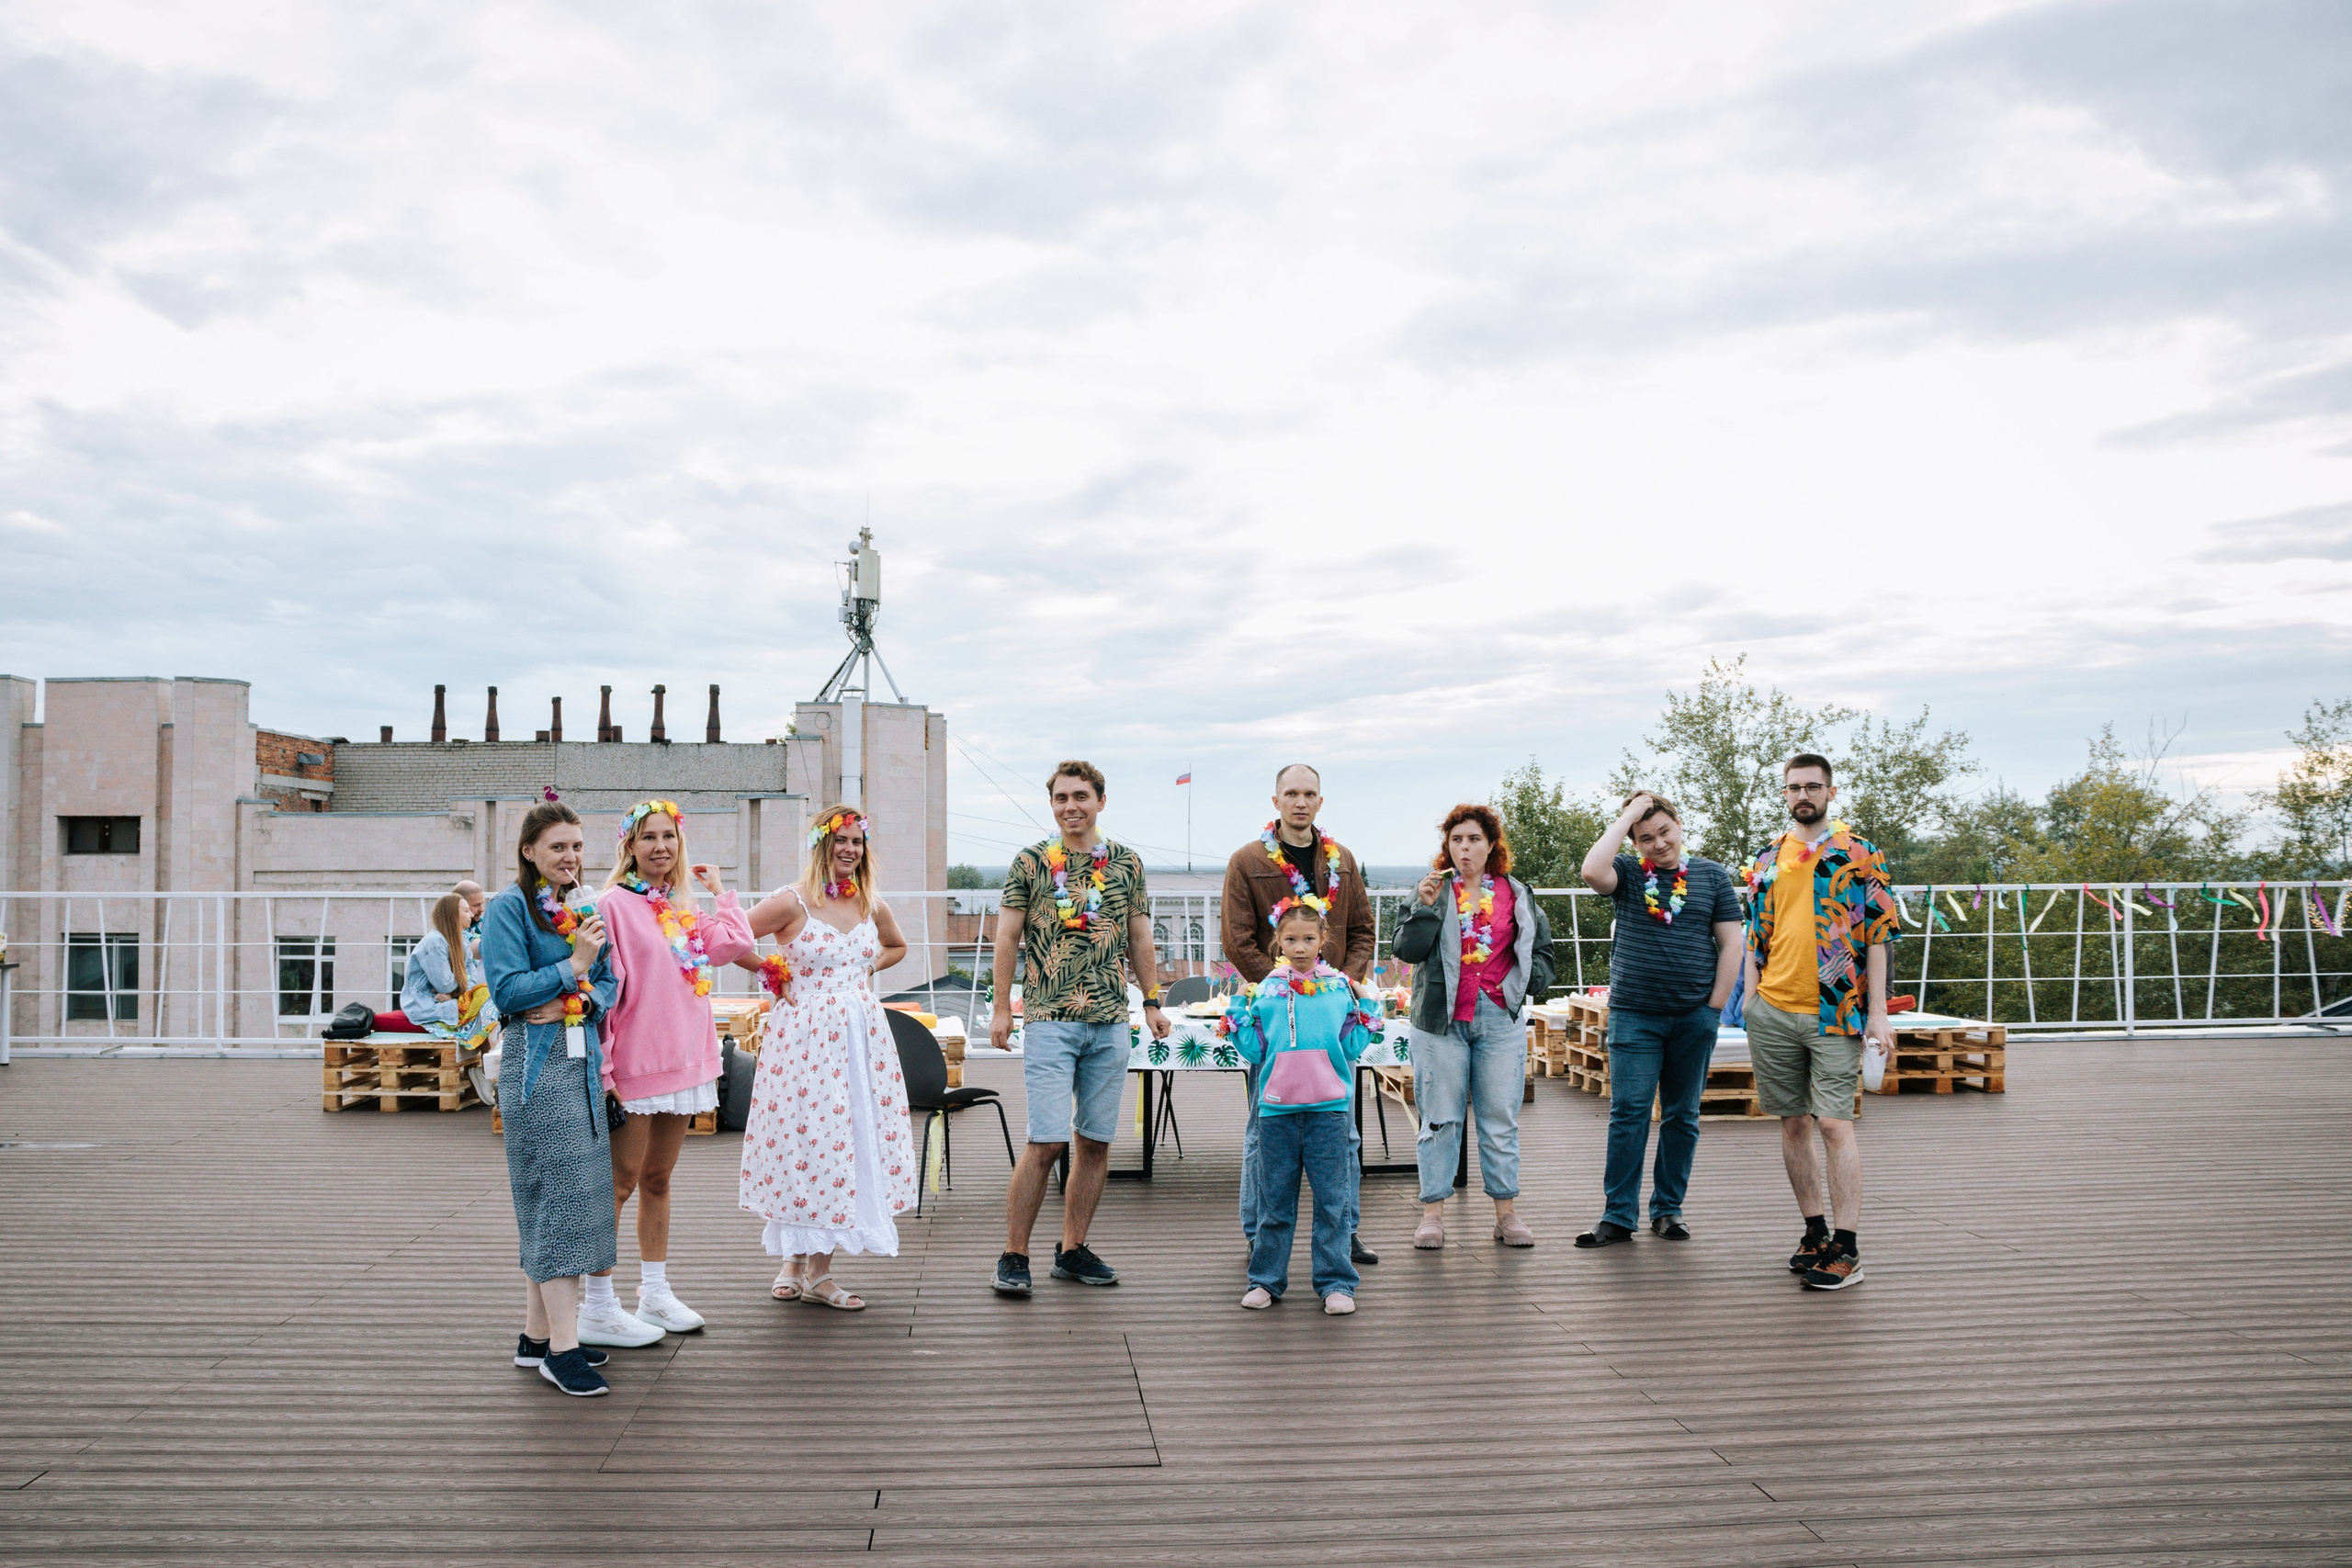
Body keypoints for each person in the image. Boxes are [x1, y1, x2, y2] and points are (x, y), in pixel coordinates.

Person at [988, 761, 1171, 1297]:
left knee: (1094, 1141)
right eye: (1061, 798)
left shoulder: (1126, 863)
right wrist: (1003, 1008)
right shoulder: (1030, 862)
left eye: (1081, 796)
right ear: (1052, 806)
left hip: (1110, 1020)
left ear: (1101, 801)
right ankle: (1013, 1255)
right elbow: (1006, 939)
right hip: (1048, 1020)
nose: (1071, 806)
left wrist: (1153, 1002)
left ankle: (1071, 1249)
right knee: (1044, 1141)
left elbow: (1140, 936)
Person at [582, 800, 755, 1343]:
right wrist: (605, 1067)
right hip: (635, 1065)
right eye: (649, 837)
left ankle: (654, 1294)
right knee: (619, 1182)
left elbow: (735, 945)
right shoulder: (610, 905)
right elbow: (602, 995)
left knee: (658, 1180)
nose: (661, 847)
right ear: (629, 847)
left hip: (687, 1063)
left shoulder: (679, 904)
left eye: (670, 837)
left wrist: (720, 892)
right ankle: (597, 1304)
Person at [737, 807, 918, 1311]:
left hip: (861, 1039)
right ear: (821, 845)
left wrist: (862, 968)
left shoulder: (869, 903)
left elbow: (896, 946)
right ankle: (792, 1260)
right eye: (841, 840)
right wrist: (772, 971)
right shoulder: (790, 901)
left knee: (848, 1142)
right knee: (807, 1140)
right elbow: (728, 938)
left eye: (857, 842)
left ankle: (819, 1272)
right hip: (804, 1040)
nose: (850, 850)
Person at [479, 799, 623, 1397]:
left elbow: (610, 983)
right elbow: (507, 990)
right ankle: (560, 1352)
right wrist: (574, 966)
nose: (570, 856)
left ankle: (536, 1336)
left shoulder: (582, 904)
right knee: (557, 1202)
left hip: (580, 1065)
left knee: (574, 1198)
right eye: (558, 846)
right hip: (537, 1074)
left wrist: (582, 992)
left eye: (577, 845)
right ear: (529, 850)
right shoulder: (508, 909)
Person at [1740, 752, 1899, 1292]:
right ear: (1785, 795)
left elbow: (1879, 936)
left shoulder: (1859, 855)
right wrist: (1748, 996)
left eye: (1812, 786)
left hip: (1835, 1010)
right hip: (1774, 1010)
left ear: (1831, 792)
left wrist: (1878, 1013)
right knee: (1792, 1123)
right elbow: (1754, 933)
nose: (1802, 795)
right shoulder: (1766, 859)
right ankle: (1814, 1233)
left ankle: (1848, 1248)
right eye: (1793, 788)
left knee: (1834, 1122)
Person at [1218, 762, 1379, 1267]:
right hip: (1277, 1019)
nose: (1300, 802)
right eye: (1291, 793)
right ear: (1276, 802)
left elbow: (1362, 932)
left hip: (1331, 1020)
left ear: (1320, 801)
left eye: (1310, 793)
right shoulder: (1247, 861)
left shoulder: (1342, 861)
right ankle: (1257, 1235)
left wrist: (1343, 986)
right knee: (1260, 1130)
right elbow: (1238, 937)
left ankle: (1345, 1231)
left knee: (1344, 1131)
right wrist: (1281, 987)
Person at [1574, 793, 1743, 1247]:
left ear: (1680, 826)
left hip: (1694, 1016)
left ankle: (1668, 1209)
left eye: (1665, 832)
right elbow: (1592, 871)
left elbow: (1732, 943)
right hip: (1635, 1015)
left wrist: (1714, 1007)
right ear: (1634, 841)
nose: (1659, 843)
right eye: (1646, 838)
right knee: (1628, 1113)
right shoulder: (1627, 874)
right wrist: (1629, 814)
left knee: (1682, 1116)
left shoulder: (1710, 875)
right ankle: (1618, 1215)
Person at [1391, 804, 1555, 1250]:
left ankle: (1507, 1214)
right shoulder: (1431, 890)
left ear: (1491, 845)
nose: (1465, 848)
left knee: (1500, 1118)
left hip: (1499, 1018)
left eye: (1474, 839)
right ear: (1447, 846)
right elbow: (1406, 950)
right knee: (1440, 1119)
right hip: (1439, 1021)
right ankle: (1432, 1215)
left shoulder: (1517, 892)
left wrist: (1523, 983)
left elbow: (1543, 953)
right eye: (1457, 840)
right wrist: (1424, 910)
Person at [1222, 901, 1382, 1314]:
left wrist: (1367, 1008)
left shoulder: (1337, 988)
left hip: (1328, 1112)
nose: (1300, 947)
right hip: (1276, 1112)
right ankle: (1266, 1281)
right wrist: (1238, 1010)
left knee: (1333, 1202)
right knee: (1275, 1202)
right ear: (1278, 941)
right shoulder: (1267, 989)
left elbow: (1351, 1046)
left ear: (1323, 940)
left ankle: (1336, 1283)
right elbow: (1255, 1049)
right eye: (1290, 939)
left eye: (1309, 939)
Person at [401, 892, 495, 1048]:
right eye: (466, 911)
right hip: (426, 1003)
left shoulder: (462, 941)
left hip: (451, 998)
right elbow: (444, 984)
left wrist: (453, 993)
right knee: (487, 1002)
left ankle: (485, 1066)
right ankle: (488, 1065)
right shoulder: (435, 942)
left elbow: (470, 977)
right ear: (452, 915)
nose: (471, 915)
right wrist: (456, 990)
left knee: (487, 995)